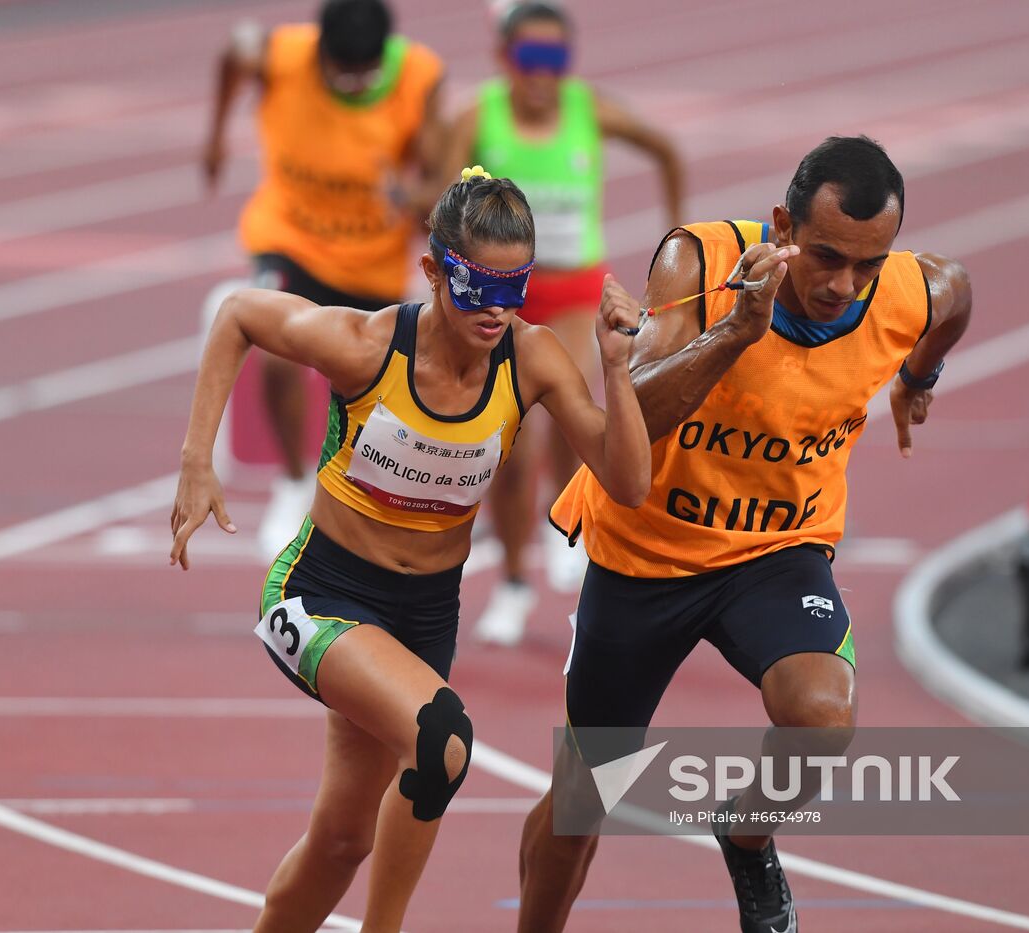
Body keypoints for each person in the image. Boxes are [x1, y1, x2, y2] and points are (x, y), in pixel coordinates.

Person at [169, 168, 651, 933]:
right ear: (433, 271)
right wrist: (198, 458)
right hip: (320, 591)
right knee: (442, 740)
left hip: (425, 617)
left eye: (513, 288)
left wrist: (618, 370)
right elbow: (236, 316)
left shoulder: (530, 359)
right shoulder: (366, 346)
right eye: (476, 287)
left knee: (341, 840)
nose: (496, 309)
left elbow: (627, 482)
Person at [518, 136, 974, 933]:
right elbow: (633, 424)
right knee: (588, 792)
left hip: (774, 553)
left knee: (824, 717)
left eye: (869, 263)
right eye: (827, 256)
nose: (845, 284)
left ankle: (747, 828)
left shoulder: (918, 290)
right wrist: (736, 331)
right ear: (781, 227)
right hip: (645, 554)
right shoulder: (696, 262)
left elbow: (955, 300)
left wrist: (918, 380)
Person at [439, 1, 683, 645]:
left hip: (577, 294)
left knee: (562, 410)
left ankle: (565, 528)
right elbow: (438, 206)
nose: (544, 74)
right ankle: (516, 581)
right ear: (505, 59)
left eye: (557, 59)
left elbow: (665, 149)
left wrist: (677, 242)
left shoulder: (590, 111)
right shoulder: (476, 119)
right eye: (531, 59)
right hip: (504, 299)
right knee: (508, 453)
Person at [202, 0, 445, 558]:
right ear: (320, 55)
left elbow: (435, 176)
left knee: (380, 399)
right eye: (343, 73)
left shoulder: (419, 74)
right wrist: (216, 133)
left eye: (367, 74)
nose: (356, 84)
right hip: (292, 239)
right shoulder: (283, 55)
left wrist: (410, 197)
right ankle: (292, 482)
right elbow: (232, 56)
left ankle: (380, 507)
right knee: (276, 354)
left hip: (373, 260)